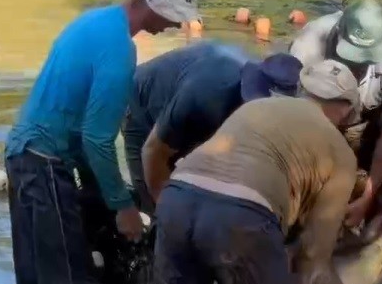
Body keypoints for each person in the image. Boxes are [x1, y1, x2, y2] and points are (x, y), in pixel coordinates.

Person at [6, 0, 200, 284]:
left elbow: (75, 124)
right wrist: (122, 206)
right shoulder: (118, 50)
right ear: (152, 3)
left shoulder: (94, 22)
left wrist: (97, 190)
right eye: (174, 15)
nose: (177, 25)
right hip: (45, 161)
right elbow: (97, 139)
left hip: (23, 154)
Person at [141, 60, 361, 284]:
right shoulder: (341, 152)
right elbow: (315, 253)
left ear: (303, 90)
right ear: (345, 109)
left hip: (178, 198)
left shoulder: (256, 108)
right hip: (241, 217)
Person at [124, 43, 302, 211]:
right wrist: (165, 212)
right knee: (158, 201)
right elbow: (153, 152)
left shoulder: (286, 93)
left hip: (194, 98)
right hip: (141, 102)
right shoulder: (208, 96)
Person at [287, 0, 382, 228]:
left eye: (364, 59)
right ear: (338, 32)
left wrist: (368, 195)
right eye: (350, 55)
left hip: (365, 124)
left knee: (370, 197)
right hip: (312, 119)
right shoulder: (309, 44)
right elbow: (288, 116)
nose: (355, 66)